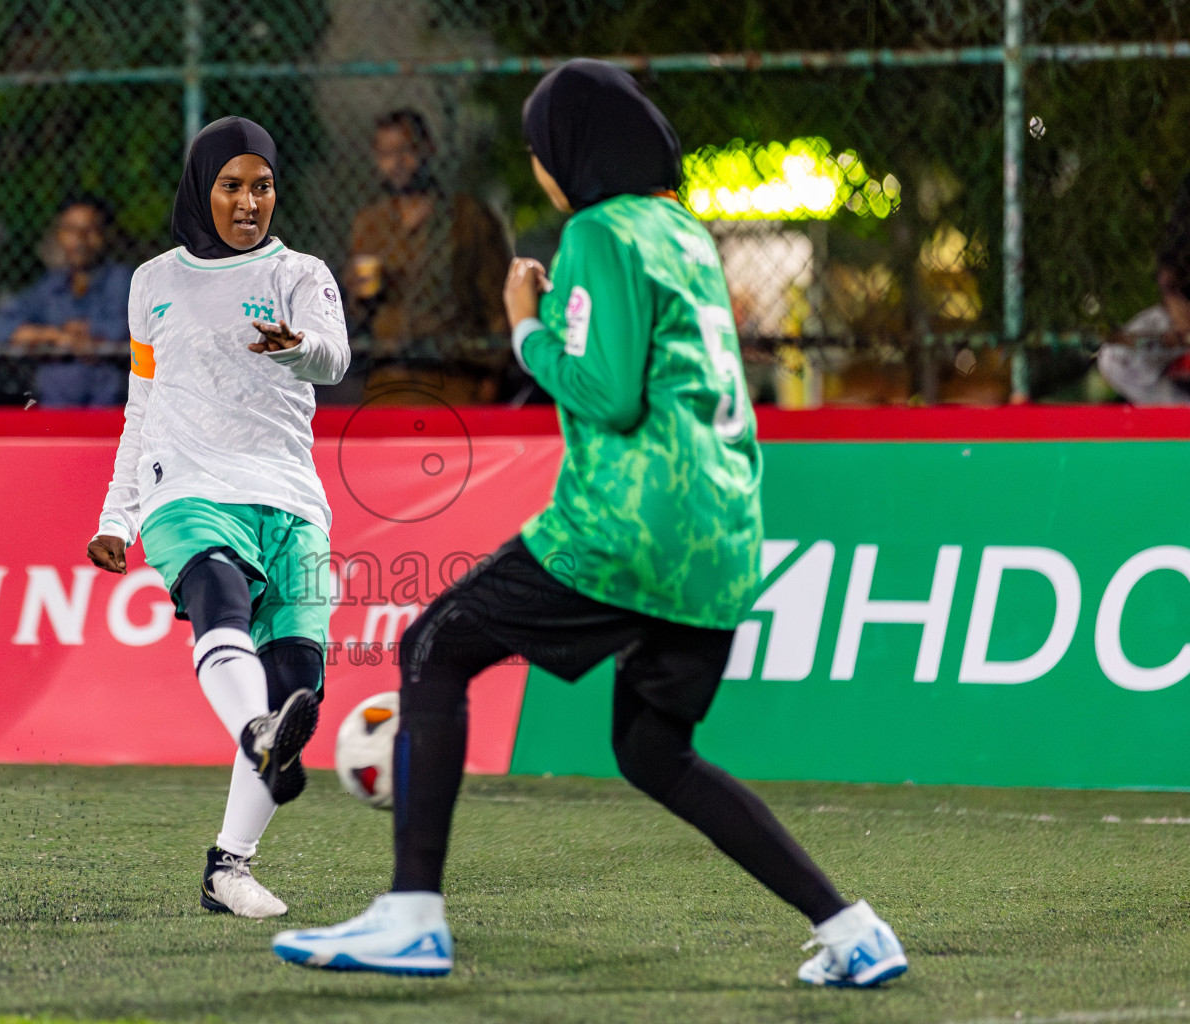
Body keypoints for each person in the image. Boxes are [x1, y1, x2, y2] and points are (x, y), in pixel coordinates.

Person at [272, 60, 907, 987]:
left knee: (432, 647)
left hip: (627, 527)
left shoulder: (600, 233)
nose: (538, 169)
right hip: (720, 541)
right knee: (654, 749)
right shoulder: (682, 231)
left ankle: (411, 916)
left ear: (568, 155)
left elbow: (606, 396)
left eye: (539, 152)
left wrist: (526, 327)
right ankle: (852, 929)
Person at [86, 117, 349, 919]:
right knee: (217, 595)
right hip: (187, 482)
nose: (248, 201)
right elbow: (141, 403)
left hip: (289, 495)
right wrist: (117, 516)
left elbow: (334, 360)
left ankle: (227, 868)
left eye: (262, 185)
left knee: (298, 673)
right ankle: (258, 731)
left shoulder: (301, 273)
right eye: (232, 185)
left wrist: (294, 345)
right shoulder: (152, 281)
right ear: (203, 188)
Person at [342, 109, 513, 405]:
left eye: (406, 150)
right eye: (385, 153)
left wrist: (493, 375)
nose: (396, 163)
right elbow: (358, 313)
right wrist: (356, 293)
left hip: (457, 377)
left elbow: (499, 302)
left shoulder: (469, 217)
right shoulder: (369, 223)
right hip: (387, 380)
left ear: (428, 149)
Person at [0, 197, 132, 408]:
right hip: (56, 414)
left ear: (105, 234)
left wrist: (91, 333)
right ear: (60, 235)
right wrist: (53, 336)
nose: (80, 240)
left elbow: (130, 329)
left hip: (112, 411)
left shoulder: (123, 281)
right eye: (71, 230)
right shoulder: (50, 287)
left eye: (90, 230)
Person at [1098, 173, 1190, 405]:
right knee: (1115, 358)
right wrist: (1182, 321)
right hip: (1185, 312)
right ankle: (1178, 418)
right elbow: (1170, 271)